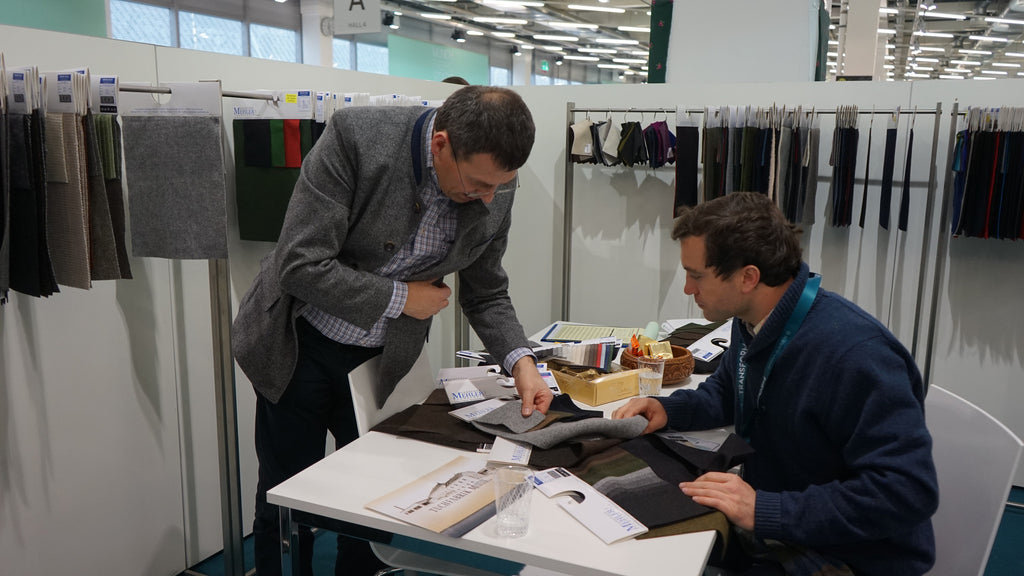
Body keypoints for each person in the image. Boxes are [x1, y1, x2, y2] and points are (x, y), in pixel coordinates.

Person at [232, 85, 553, 576]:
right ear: (441, 145)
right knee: (285, 493)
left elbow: (486, 290)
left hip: (385, 359)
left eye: (500, 185)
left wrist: (522, 362)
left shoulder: (495, 180)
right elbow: (300, 263)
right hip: (299, 345)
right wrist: (405, 298)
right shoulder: (356, 138)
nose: (489, 197)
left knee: (375, 496)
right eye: (477, 185)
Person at [612, 191, 937, 575]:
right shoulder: (754, 319)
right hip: (784, 528)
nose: (687, 288)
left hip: (849, 556)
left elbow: (906, 491)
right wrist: (670, 409)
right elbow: (732, 389)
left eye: (696, 275)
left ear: (748, 277)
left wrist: (765, 510)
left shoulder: (856, 356)